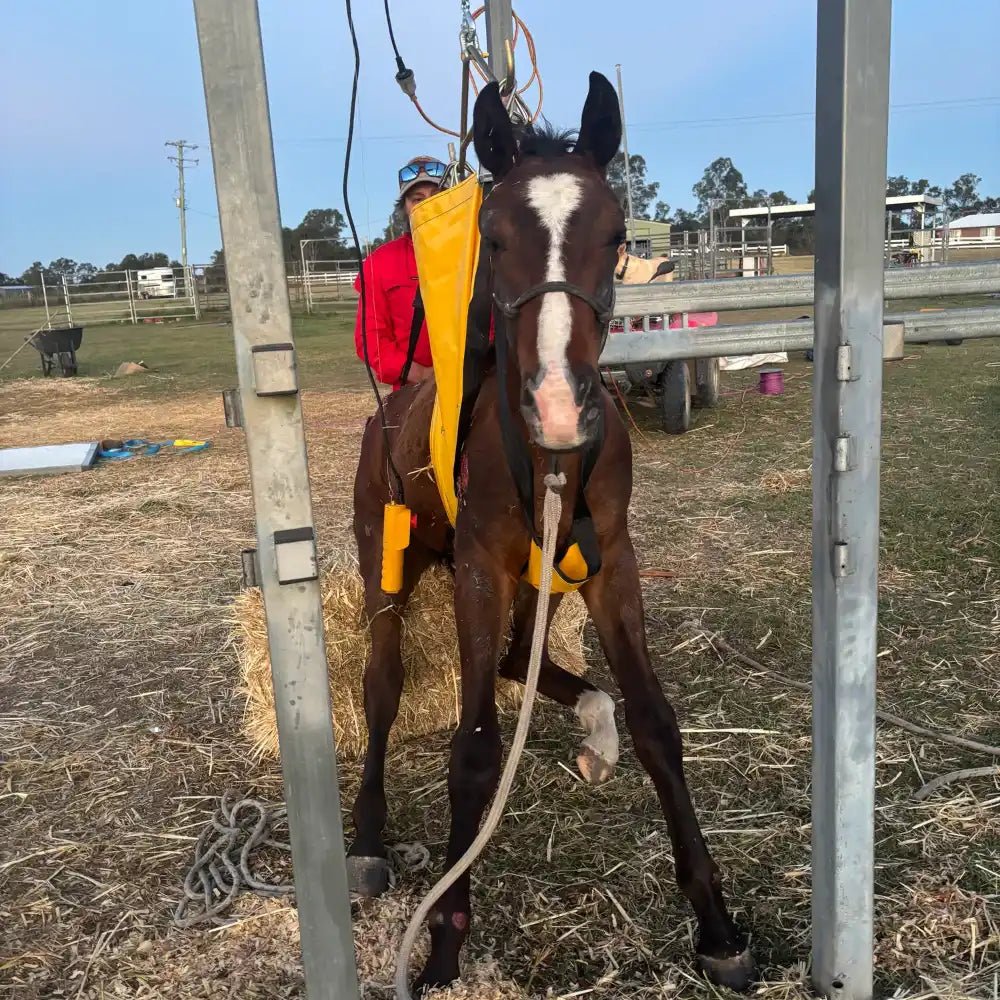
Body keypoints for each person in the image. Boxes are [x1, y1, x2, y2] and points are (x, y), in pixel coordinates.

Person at [353, 155, 446, 390]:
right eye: (418, 199)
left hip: (480, 386)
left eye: (437, 196)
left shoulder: (479, 253)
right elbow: (371, 337)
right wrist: (420, 374)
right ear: (405, 208)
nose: (428, 206)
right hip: (413, 392)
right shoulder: (379, 263)